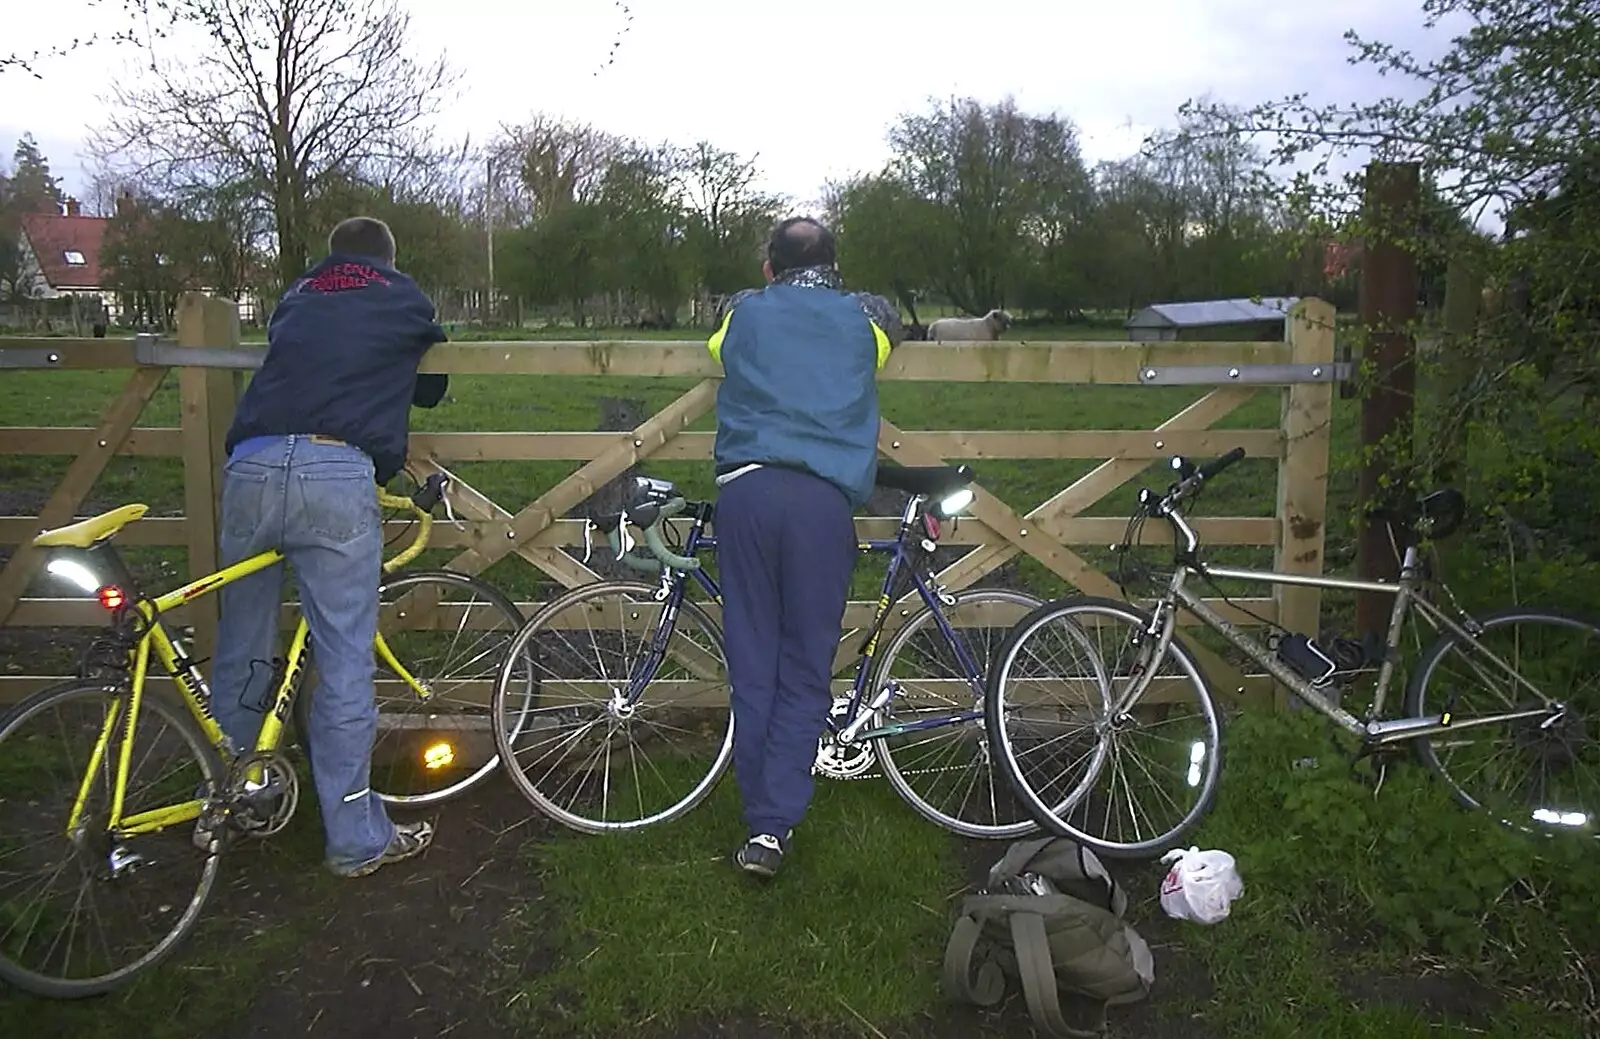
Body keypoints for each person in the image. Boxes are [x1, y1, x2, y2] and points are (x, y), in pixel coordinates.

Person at [200, 216, 449, 877]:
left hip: (251, 464)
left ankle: (239, 796)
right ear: (388, 258)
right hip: (335, 469)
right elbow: (432, 382)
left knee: (242, 640)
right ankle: (354, 836)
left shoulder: (299, 291)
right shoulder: (401, 294)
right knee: (343, 659)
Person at [706, 216, 904, 878]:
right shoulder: (867, 318)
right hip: (822, 502)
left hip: (747, 493)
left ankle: (757, 807)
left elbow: (719, 341)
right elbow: (886, 328)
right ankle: (772, 824)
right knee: (805, 663)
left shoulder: (740, 313)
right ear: (836, 266)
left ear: (768, 267)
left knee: (752, 653)